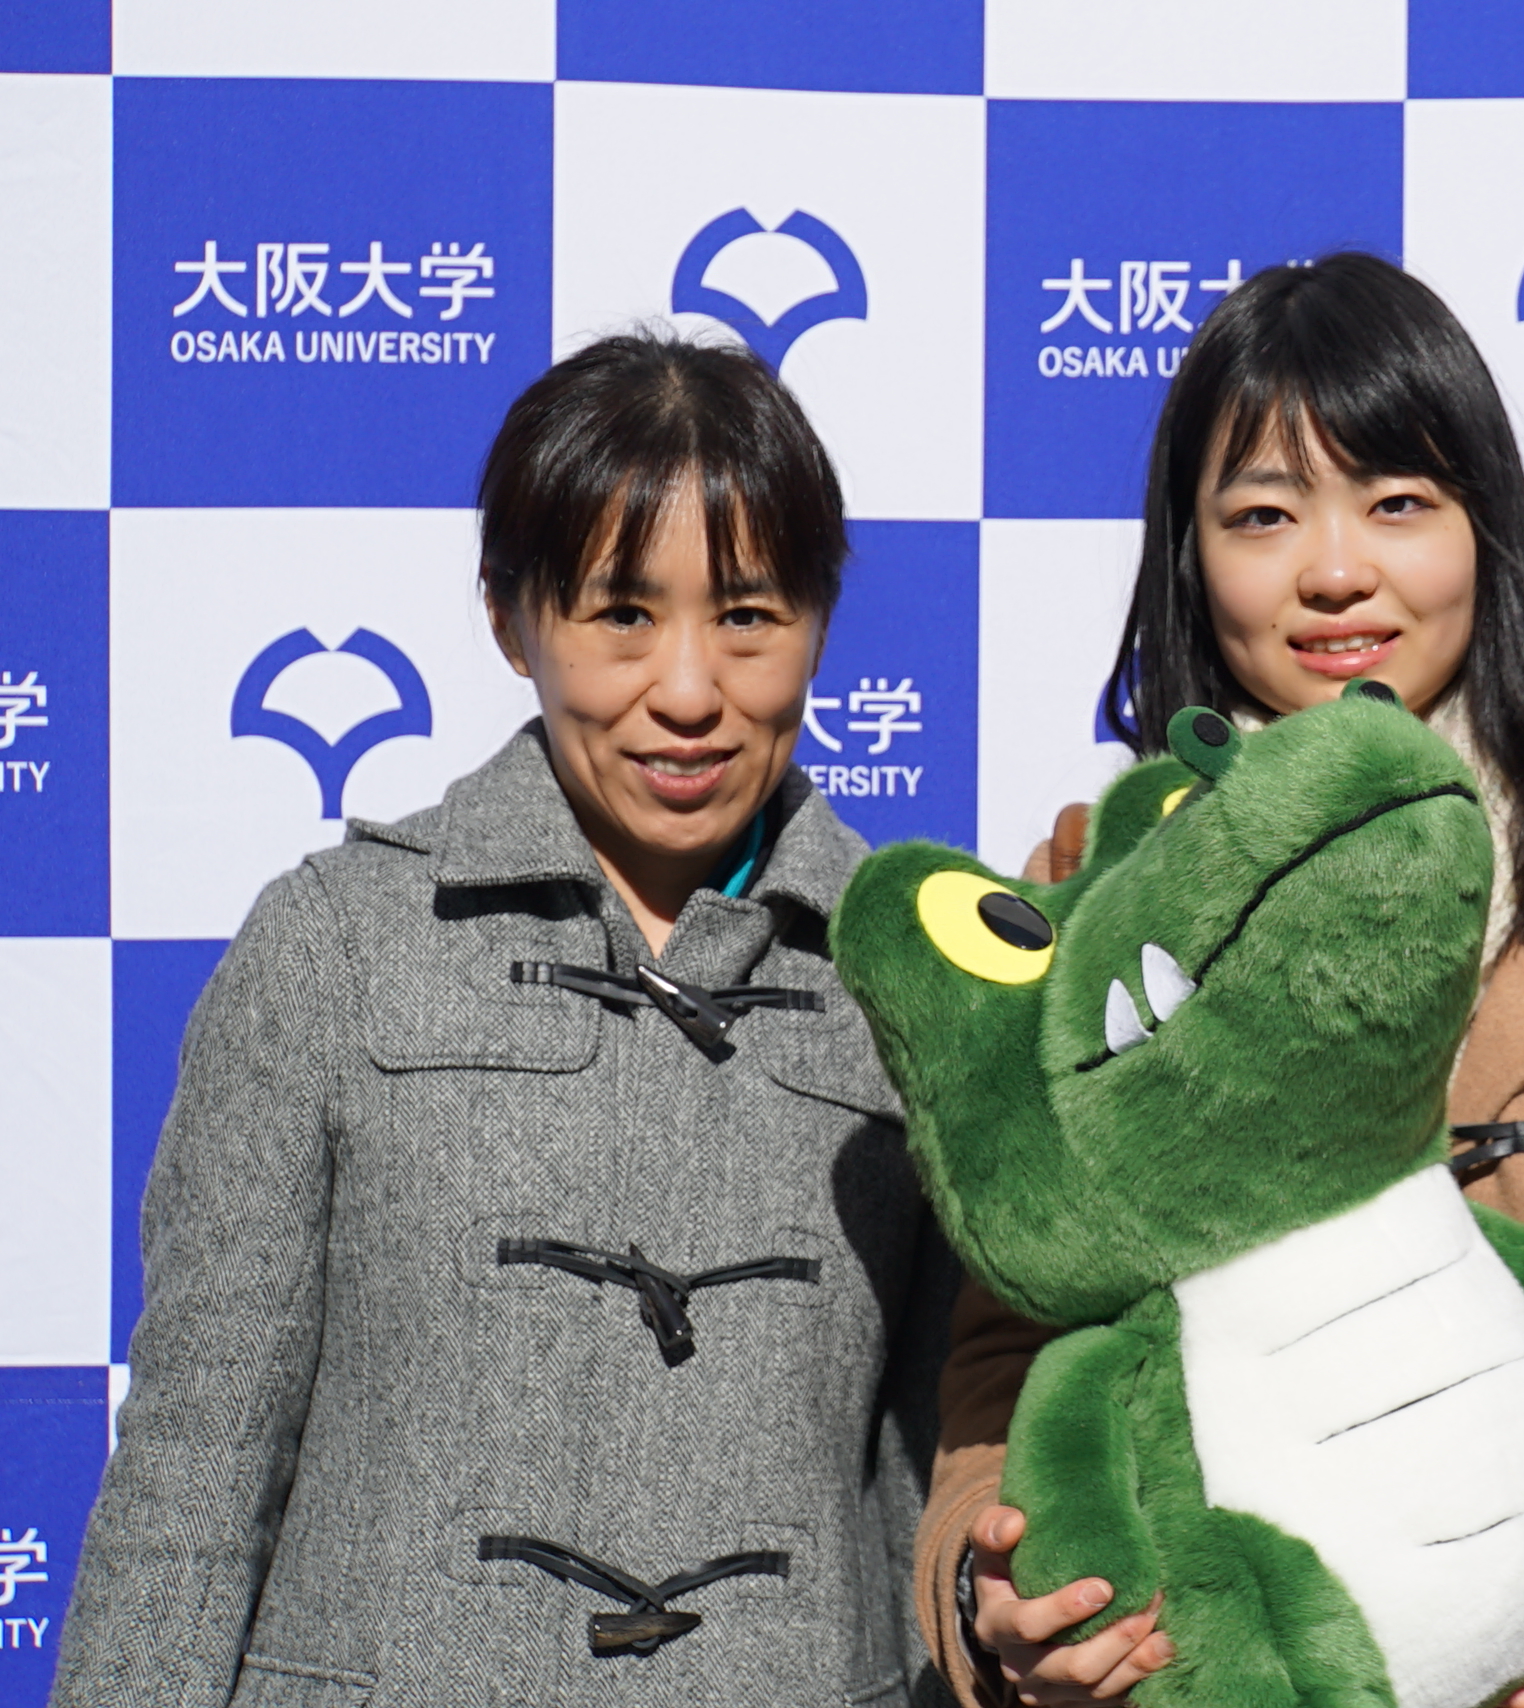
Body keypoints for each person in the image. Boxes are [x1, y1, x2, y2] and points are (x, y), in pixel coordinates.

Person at [922, 253, 1524, 1708]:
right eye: (1263, 515)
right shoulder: (1089, 894)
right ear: (1190, 556)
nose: (1335, 571)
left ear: (1485, 529)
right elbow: (1010, 1352)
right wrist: (1001, 1596)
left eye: (1397, 503)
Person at [54, 332, 949, 1707]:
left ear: (820, 623)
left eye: (748, 617)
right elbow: (194, 1468)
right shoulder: (334, 947)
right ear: (510, 616)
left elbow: (932, 1486)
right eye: (621, 614)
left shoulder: (917, 986)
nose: (689, 691)